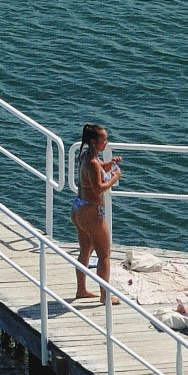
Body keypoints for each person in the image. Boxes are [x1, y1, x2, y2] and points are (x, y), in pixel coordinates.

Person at [71, 123, 122, 302]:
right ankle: (104, 296)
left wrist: (111, 164)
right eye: (104, 140)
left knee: (85, 251)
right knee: (104, 255)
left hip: (79, 208)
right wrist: (115, 178)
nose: (106, 142)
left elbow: (100, 170)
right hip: (91, 212)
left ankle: (81, 290)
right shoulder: (92, 162)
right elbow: (98, 188)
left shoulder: (86, 156)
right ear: (94, 142)